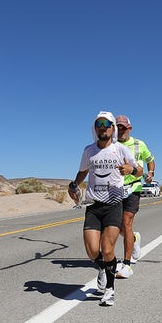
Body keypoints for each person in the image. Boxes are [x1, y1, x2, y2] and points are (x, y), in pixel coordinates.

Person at [68, 111, 139, 306]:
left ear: (112, 128)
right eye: (99, 123)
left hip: (114, 205)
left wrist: (131, 170)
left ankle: (109, 290)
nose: (103, 127)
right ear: (95, 128)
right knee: (92, 251)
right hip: (93, 206)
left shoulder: (120, 150)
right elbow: (83, 171)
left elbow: (139, 169)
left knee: (107, 249)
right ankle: (103, 267)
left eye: (107, 124)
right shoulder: (89, 150)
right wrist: (74, 185)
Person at [114, 114, 155, 279]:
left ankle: (126, 265)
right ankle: (134, 239)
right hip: (115, 189)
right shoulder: (111, 145)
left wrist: (150, 172)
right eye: (117, 127)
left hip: (134, 187)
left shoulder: (139, 144)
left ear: (129, 128)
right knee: (116, 227)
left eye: (123, 127)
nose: (120, 130)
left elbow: (150, 159)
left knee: (126, 221)